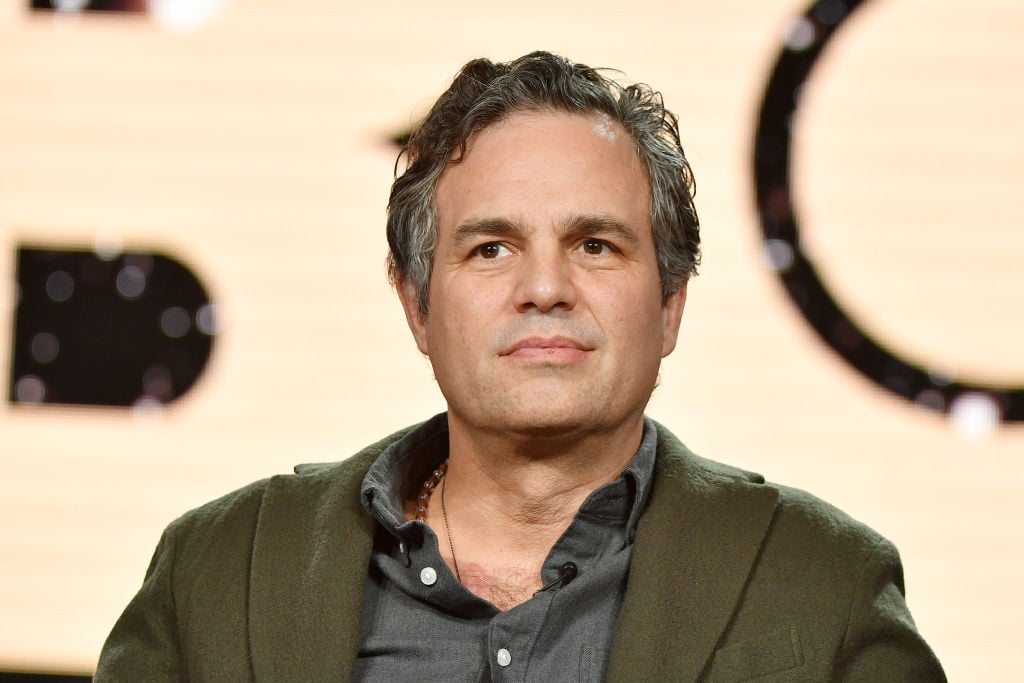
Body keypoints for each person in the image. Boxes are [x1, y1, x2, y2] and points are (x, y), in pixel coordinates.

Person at [96, 51, 945, 681]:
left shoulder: (826, 585)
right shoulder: (213, 574)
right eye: (492, 247)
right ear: (417, 304)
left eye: (597, 244)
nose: (545, 288)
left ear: (672, 304)